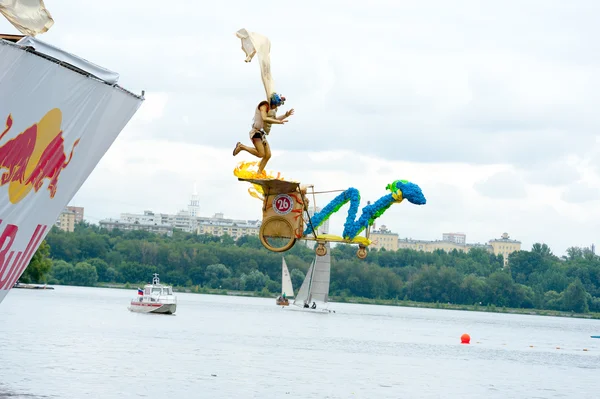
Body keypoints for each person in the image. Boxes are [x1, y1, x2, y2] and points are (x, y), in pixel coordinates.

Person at [233, 93, 294, 175]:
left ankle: (258, 173)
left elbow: (274, 119)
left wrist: (286, 115)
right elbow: (265, 118)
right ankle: (241, 146)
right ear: (274, 102)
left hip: (262, 134)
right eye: (277, 104)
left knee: (268, 155)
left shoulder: (271, 109)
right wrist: (278, 122)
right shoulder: (264, 105)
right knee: (261, 154)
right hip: (256, 132)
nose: (277, 107)